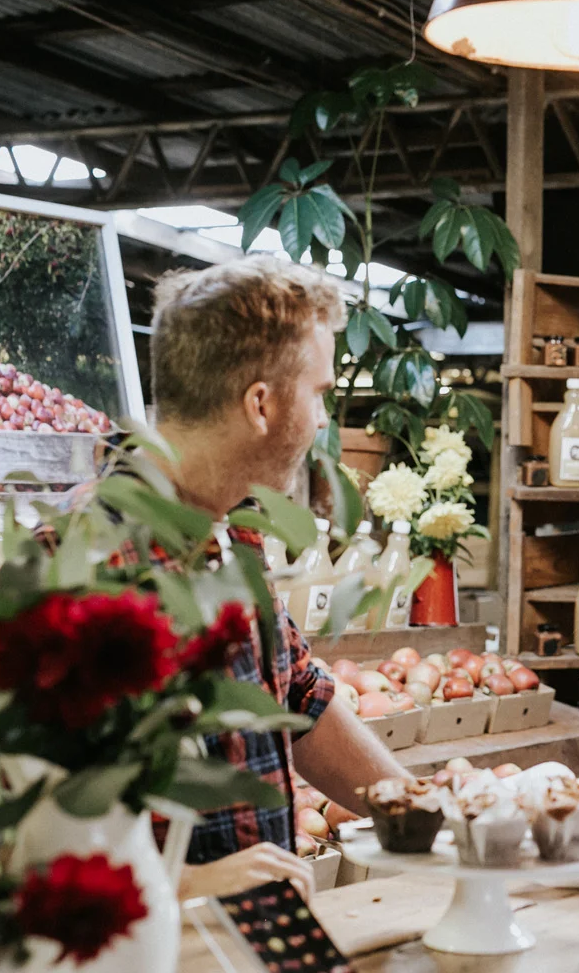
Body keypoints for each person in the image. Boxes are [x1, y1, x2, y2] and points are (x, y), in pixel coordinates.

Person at [118, 257, 411, 897]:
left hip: (252, 933)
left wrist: (415, 808)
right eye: (319, 394)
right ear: (261, 404)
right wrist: (184, 883)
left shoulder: (235, 532)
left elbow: (297, 695)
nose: (324, 420)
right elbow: (2, 810)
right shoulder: (94, 557)